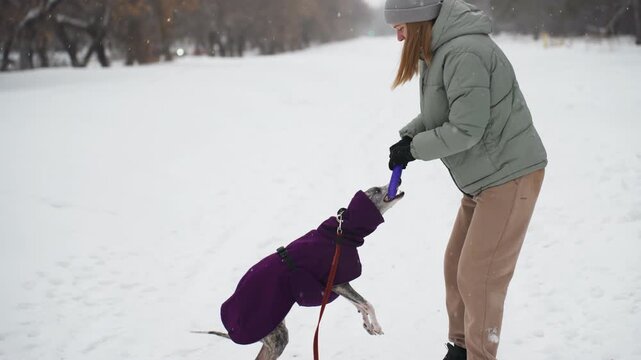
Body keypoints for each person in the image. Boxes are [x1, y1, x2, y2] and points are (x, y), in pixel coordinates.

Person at [383, 1, 548, 359]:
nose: (397, 36)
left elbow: (465, 129)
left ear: (419, 20)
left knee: (479, 277)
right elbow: (440, 111)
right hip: (484, 179)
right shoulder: (441, 51)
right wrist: (409, 137)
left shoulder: (464, 52)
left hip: (509, 175)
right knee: (455, 265)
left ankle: (479, 355)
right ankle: (460, 350)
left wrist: (416, 149)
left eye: (400, 26)